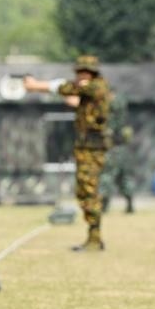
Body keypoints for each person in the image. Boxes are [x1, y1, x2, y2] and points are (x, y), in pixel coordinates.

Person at [24, 55, 111, 251]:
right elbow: (75, 98)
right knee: (83, 191)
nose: (79, 77)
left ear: (90, 73)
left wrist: (36, 86)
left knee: (88, 191)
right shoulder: (91, 91)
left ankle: (95, 239)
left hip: (92, 149)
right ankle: (93, 237)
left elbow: (68, 88)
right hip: (86, 148)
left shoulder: (95, 86)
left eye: (82, 73)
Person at [100, 91, 135, 213]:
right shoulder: (123, 116)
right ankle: (130, 204)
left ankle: (104, 205)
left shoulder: (112, 119)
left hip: (113, 150)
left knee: (106, 177)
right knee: (124, 178)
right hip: (123, 150)